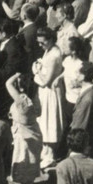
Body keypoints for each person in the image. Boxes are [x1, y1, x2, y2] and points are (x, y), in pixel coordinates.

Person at [5, 74, 43, 184]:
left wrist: (16, 74)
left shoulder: (23, 101)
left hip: (24, 139)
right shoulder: (34, 98)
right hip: (33, 133)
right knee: (29, 169)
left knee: (24, 169)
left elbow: (8, 84)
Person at [32, 26, 64, 168]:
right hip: (45, 93)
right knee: (44, 121)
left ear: (50, 40)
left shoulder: (54, 55)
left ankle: (50, 154)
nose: (40, 45)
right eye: (38, 42)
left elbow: (46, 81)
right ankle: (45, 151)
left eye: (42, 42)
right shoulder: (48, 50)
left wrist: (37, 71)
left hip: (50, 92)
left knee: (50, 121)